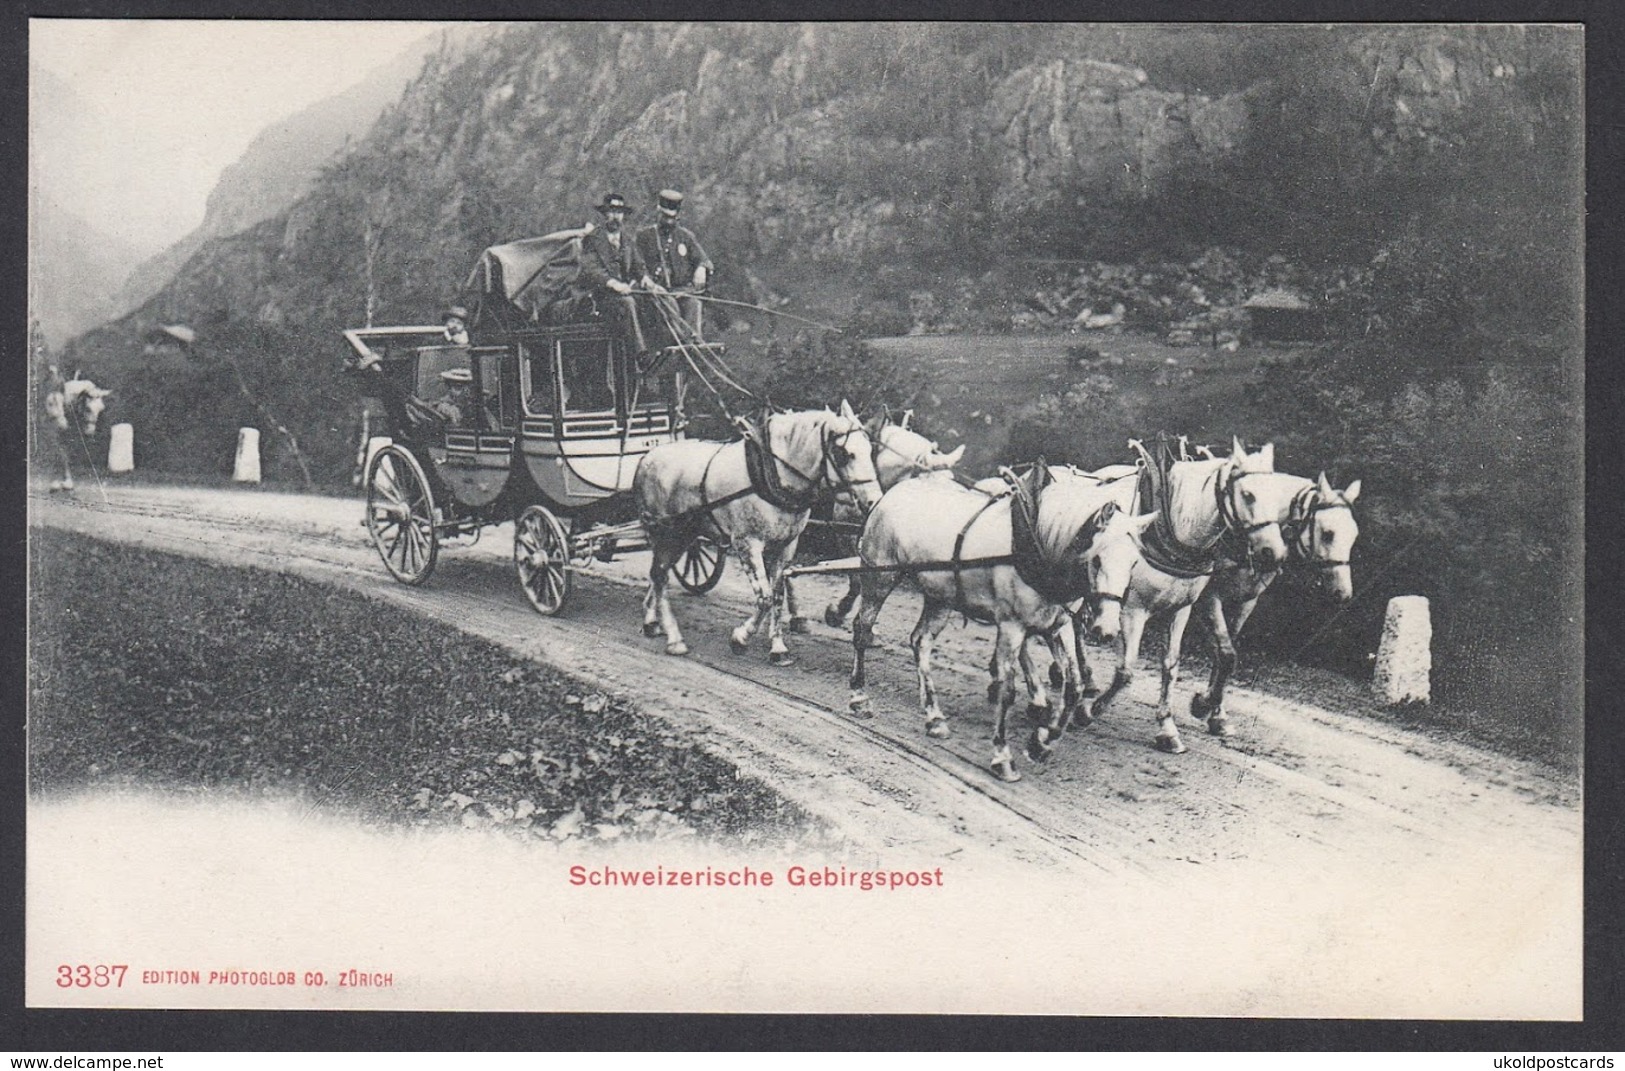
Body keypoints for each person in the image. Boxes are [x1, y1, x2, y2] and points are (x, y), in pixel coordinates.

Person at [636, 188, 713, 342]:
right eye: (665, 217)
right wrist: (646, 279)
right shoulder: (645, 236)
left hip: (681, 291)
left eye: (672, 218)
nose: (669, 221)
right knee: (669, 302)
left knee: (693, 303)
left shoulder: (686, 237)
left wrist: (701, 268)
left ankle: (693, 343)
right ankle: (680, 342)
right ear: (658, 213)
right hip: (655, 294)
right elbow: (636, 264)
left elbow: (703, 259)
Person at [579, 193, 653, 354]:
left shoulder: (627, 240)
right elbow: (590, 270)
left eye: (619, 213)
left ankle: (662, 349)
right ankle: (641, 353)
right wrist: (613, 284)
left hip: (626, 294)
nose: (615, 217)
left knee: (654, 298)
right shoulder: (592, 240)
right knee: (628, 303)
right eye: (611, 212)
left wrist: (645, 279)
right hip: (601, 298)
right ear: (604, 214)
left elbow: (639, 266)